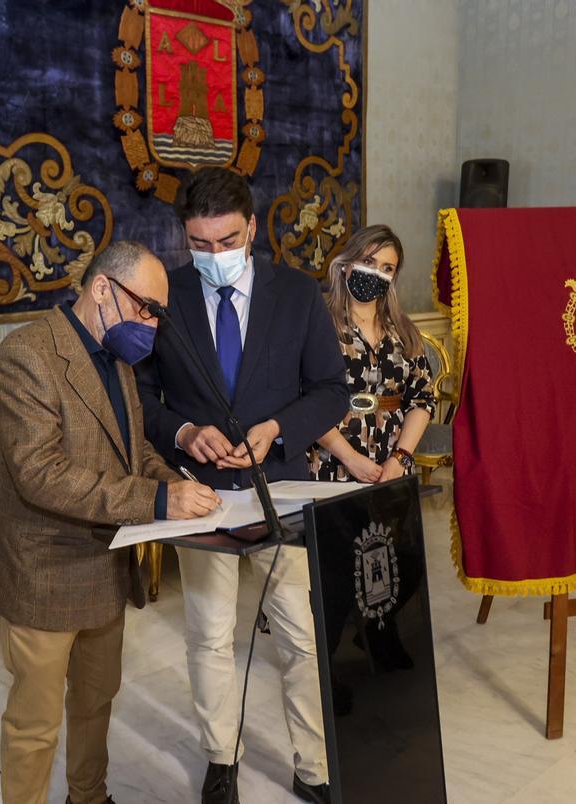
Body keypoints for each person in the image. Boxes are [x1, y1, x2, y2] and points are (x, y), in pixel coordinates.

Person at [136, 167, 347, 804]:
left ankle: (314, 766)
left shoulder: (298, 295)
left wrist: (282, 428)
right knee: (208, 635)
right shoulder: (164, 297)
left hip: (281, 486)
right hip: (200, 494)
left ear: (253, 228)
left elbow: (332, 391)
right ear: (183, 238)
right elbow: (142, 397)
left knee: (301, 638)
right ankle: (220, 757)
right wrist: (182, 434)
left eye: (227, 242)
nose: (215, 257)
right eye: (199, 246)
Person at [0, 240, 221, 804]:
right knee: (35, 725)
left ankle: (89, 797)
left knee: (95, 703)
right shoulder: (28, 355)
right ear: (101, 290)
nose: (152, 325)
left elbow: (132, 450)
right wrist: (157, 503)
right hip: (45, 572)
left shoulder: (118, 360)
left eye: (157, 315)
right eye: (146, 309)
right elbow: (41, 475)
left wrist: (174, 485)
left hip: (106, 568)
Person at [309, 225, 435, 484]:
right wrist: (350, 459)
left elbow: (422, 399)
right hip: (331, 464)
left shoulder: (404, 330)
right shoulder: (317, 323)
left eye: (387, 268)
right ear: (346, 264)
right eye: (368, 261)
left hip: (392, 467)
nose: (375, 273)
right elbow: (305, 402)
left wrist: (400, 458)